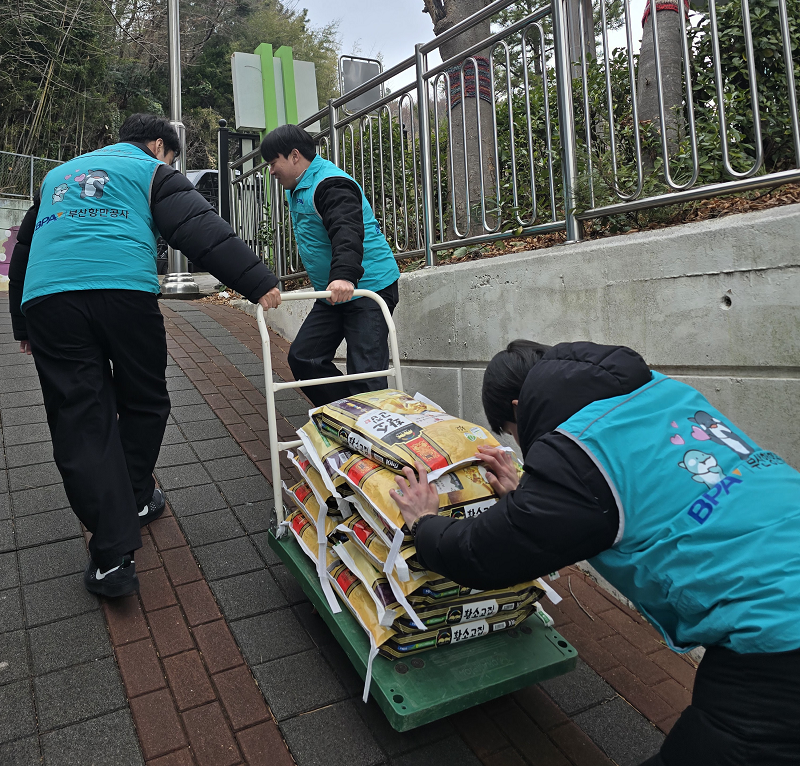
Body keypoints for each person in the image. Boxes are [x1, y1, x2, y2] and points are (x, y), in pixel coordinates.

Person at [391, 339, 800, 766]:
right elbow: (628, 486)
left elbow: (480, 554)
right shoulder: (658, 390)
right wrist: (526, 494)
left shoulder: (578, 454)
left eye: (512, 432)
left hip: (777, 631)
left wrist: (424, 521)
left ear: (519, 406)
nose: (520, 441)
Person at [8, 114, 282, 598]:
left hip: (50, 301)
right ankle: (134, 495)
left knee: (81, 417)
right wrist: (258, 282)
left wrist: (22, 323)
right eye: (171, 156)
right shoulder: (151, 169)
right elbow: (200, 227)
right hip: (124, 294)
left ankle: (112, 556)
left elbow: (24, 250)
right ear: (159, 145)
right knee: (146, 399)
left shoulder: (57, 175)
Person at [260, 124, 400, 404]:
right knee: (304, 358)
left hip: (366, 288)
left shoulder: (331, 183)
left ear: (295, 156)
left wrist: (345, 276)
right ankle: (345, 420)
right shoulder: (300, 185)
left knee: (366, 375)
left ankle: (367, 436)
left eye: (273, 163)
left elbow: (346, 229)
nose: (271, 171)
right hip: (333, 292)